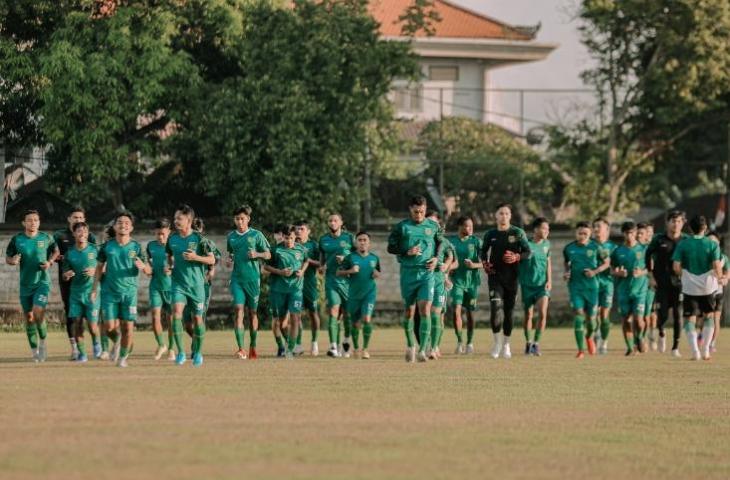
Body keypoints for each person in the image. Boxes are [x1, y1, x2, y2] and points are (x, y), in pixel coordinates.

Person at [387, 195, 442, 362]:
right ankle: (411, 345)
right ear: (410, 209)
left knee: (425, 309)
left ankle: (422, 351)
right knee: (410, 311)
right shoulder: (402, 227)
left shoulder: (433, 226)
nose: (419, 214)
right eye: (416, 211)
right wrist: (406, 252)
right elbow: (391, 247)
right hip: (408, 273)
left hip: (426, 274)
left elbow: (440, 243)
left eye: (422, 211)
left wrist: (436, 258)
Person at [92, 212, 150, 367]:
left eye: (126, 223)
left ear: (131, 227)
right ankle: (117, 340)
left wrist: (143, 267)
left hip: (129, 294)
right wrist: (94, 288)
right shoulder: (106, 247)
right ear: (115, 226)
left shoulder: (136, 247)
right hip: (109, 292)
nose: (123, 225)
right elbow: (98, 268)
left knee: (128, 327)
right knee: (109, 326)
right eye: (120, 222)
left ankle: (123, 358)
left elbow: (149, 270)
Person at [5, 209, 59, 362]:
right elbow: (8, 257)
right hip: (25, 285)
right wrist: (13, 261)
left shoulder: (46, 238)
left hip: (42, 283)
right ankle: (34, 351)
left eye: (35, 220)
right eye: (29, 220)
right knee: (29, 318)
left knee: (38, 311)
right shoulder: (17, 240)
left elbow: (56, 251)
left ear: (39, 222)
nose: (33, 222)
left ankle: (42, 343)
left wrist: (49, 262)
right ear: (24, 223)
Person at [166, 205, 216, 367]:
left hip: (197, 286)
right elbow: (170, 256)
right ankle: (180, 353)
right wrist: (169, 266)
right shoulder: (172, 239)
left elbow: (212, 260)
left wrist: (196, 257)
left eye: (179, 218)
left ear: (189, 220)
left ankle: (198, 353)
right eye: (175, 218)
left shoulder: (200, 239)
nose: (176, 221)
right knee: (176, 314)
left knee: (197, 319)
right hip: (178, 284)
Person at [480, 204, 531, 359]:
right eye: (500, 213)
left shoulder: (517, 232)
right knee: (496, 308)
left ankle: (506, 345)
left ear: (510, 216)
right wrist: (485, 264)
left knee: (508, 312)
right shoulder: (490, 234)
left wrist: (516, 257)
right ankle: (496, 343)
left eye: (506, 213)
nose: (503, 216)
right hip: (495, 277)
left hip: (512, 278)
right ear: (496, 216)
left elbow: (528, 252)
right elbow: (483, 252)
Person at [672, 215, 723, 360]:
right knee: (709, 317)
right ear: (705, 228)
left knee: (690, 319)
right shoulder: (712, 244)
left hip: (689, 287)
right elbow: (717, 266)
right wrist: (719, 278)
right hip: (708, 286)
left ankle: (695, 351)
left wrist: (685, 275)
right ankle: (706, 349)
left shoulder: (683, 244)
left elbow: (676, 266)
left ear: (689, 228)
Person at [226, 205, 271, 360]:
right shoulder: (231, 237)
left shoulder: (257, 235)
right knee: (239, 310)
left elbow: (268, 254)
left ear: (248, 219)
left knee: (252, 313)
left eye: (242, 219)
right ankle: (241, 349)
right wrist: (230, 259)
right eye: (237, 219)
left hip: (253, 280)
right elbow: (231, 253)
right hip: (237, 279)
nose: (239, 221)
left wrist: (256, 254)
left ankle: (253, 345)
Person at [54, 207, 96, 360]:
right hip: (67, 281)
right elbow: (52, 253)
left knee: (90, 316)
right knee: (72, 315)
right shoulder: (59, 235)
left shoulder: (89, 236)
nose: (78, 220)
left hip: (87, 283)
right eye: (75, 217)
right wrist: (58, 258)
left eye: (81, 218)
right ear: (69, 219)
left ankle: (96, 345)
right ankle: (75, 349)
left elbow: (98, 258)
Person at [563, 221, 609, 358]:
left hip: (592, 288)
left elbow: (607, 263)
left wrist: (595, 272)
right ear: (575, 233)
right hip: (575, 287)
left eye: (585, 234)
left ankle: (589, 337)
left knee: (591, 321)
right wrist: (567, 273)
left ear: (589, 234)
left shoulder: (596, 247)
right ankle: (580, 350)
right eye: (580, 233)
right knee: (578, 315)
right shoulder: (568, 248)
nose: (582, 236)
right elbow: (567, 263)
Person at [646, 210, 687, 356]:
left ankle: (675, 347)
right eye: (673, 221)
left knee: (678, 314)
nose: (675, 224)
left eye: (679, 221)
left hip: (679, 284)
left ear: (683, 223)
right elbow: (648, 254)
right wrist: (651, 276)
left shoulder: (686, 240)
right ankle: (661, 333)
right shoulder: (658, 239)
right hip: (661, 283)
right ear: (667, 223)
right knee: (662, 314)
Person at [265, 225, 308, 359]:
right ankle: (286, 344)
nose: (288, 240)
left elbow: (306, 261)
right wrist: (280, 272)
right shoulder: (275, 250)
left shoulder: (301, 249)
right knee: (282, 322)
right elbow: (266, 266)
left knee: (295, 318)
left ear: (295, 237)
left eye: (291, 238)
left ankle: (290, 350)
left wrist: (302, 271)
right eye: (286, 238)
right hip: (279, 290)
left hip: (296, 289)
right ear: (282, 237)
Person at [61, 222, 100, 363]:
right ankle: (82, 354)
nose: (82, 233)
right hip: (76, 293)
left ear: (88, 233)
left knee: (92, 325)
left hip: (92, 293)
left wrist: (95, 270)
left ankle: (96, 343)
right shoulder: (69, 253)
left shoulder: (95, 250)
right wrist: (67, 274)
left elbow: (105, 268)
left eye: (84, 231)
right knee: (77, 323)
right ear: (74, 234)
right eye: (79, 231)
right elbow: (64, 274)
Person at [338, 231, 380, 359]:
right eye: (360, 240)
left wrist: (376, 274)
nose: (362, 242)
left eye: (365, 240)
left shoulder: (374, 258)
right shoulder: (350, 257)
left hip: (369, 293)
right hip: (353, 295)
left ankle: (365, 349)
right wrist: (351, 270)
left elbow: (377, 272)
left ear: (369, 243)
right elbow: (338, 272)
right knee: (355, 323)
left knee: (366, 319)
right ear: (356, 243)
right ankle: (356, 348)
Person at [319, 214, 356, 358]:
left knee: (347, 314)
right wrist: (321, 267)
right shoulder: (323, 240)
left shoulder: (349, 238)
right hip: (331, 280)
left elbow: (357, 257)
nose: (332, 223)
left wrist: (347, 259)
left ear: (341, 222)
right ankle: (333, 346)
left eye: (335, 220)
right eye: (330, 220)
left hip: (348, 281)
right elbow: (321, 261)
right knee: (333, 310)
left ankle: (346, 341)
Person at [611, 222, 649, 356]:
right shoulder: (617, 251)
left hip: (640, 290)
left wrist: (641, 273)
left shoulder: (644, 249)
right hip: (623, 290)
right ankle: (629, 347)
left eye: (632, 232)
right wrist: (618, 273)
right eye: (627, 233)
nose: (630, 235)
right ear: (623, 234)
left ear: (636, 233)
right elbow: (612, 269)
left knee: (639, 320)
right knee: (626, 320)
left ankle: (640, 338)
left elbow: (650, 268)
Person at [518, 217, 552, 356]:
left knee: (543, 313)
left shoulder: (547, 244)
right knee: (528, 315)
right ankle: (528, 342)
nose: (546, 231)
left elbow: (548, 263)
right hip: (527, 285)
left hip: (542, 285)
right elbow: (517, 260)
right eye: (543, 228)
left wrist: (549, 280)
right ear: (536, 229)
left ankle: (536, 344)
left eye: (548, 229)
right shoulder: (526, 244)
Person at [447, 215, 481, 354]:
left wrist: (474, 265)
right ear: (460, 227)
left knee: (470, 314)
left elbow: (486, 263)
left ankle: (470, 342)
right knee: (456, 312)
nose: (471, 228)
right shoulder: (451, 242)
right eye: (468, 226)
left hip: (472, 283)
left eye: (472, 226)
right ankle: (460, 341)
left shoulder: (477, 242)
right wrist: (448, 273)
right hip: (457, 283)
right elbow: (447, 261)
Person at [427, 211, 455, 359]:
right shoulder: (422, 240)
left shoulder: (444, 242)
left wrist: (446, 268)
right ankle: (427, 345)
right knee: (426, 314)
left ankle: (434, 346)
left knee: (437, 315)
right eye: (428, 222)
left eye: (434, 222)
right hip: (424, 281)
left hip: (439, 281)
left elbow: (453, 259)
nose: (431, 225)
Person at [146, 219, 174, 361]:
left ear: (169, 231)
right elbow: (149, 263)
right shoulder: (150, 246)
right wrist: (148, 270)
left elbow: (181, 266)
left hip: (172, 288)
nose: (160, 237)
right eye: (157, 234)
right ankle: (161, 344)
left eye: (163, 234)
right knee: (155, 316)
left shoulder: (175, 245)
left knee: (171, 319)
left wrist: (171, 269)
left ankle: (171, 348)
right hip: (155, 286)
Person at [295, 220, 322, 356]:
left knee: (313, 313)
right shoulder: (292, 244)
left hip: (310, 284)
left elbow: (321, 264)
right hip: (295, 286)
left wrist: (309, 261)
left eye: (302, 229)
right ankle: (298, 345)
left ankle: (314, 342)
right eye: (297, 229)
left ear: (308, 231)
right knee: (296, 315)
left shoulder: (314, 245)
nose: (299, 231)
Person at [592, 218, 617, 354]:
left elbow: (616, 265)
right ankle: (596, 334)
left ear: (607, 230)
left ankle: (604, 343)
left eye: (599, 227)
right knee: (593, 313)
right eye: (594, 226)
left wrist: (618, 271)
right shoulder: (588, 245)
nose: (596, 229)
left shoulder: (613, 247)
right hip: (591, 284)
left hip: (607, 284)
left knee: (604, 314)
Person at [705, 231, 728, 353]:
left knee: (715, 318)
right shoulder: (703, 257)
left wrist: (724, 278)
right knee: (704, 318)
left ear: (718, 243)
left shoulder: (724, 258)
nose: (711, 243)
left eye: (713, 241)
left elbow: (727, 274)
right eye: (708, 241)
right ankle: (704, 339)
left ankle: (711, 344)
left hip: (718, 292)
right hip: (704, 291)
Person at [638, 222, 658, 350]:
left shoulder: (653, 248)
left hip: (651, 285)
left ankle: (652, 335)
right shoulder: (634, 248)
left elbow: (653, 266)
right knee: (642, 315)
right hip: (638, 286)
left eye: (650, 233)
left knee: (651, 314)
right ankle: (641, 339)